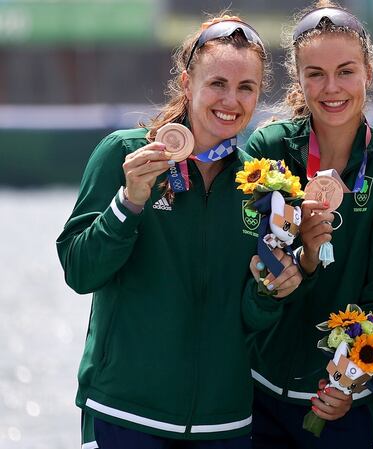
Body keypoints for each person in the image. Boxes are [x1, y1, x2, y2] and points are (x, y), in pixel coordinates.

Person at [56, 14, 300, 448]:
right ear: (187, 83)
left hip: (221, 426)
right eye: (217, 83)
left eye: (247, 87)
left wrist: (270, 289)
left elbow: (250, 320)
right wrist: (129, 201)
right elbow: (79, 271)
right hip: (125, 417)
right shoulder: (124, 154)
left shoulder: (263, 186)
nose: (231, 100)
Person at [242, 2, 373, 448]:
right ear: (298, 78)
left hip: (339, 403)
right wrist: (299, 255)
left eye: (345, 71)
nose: (331, 87)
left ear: (369, 72)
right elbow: (251, 269)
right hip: (257, 391)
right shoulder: (272, 146)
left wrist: (350, 382)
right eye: (315, 73)